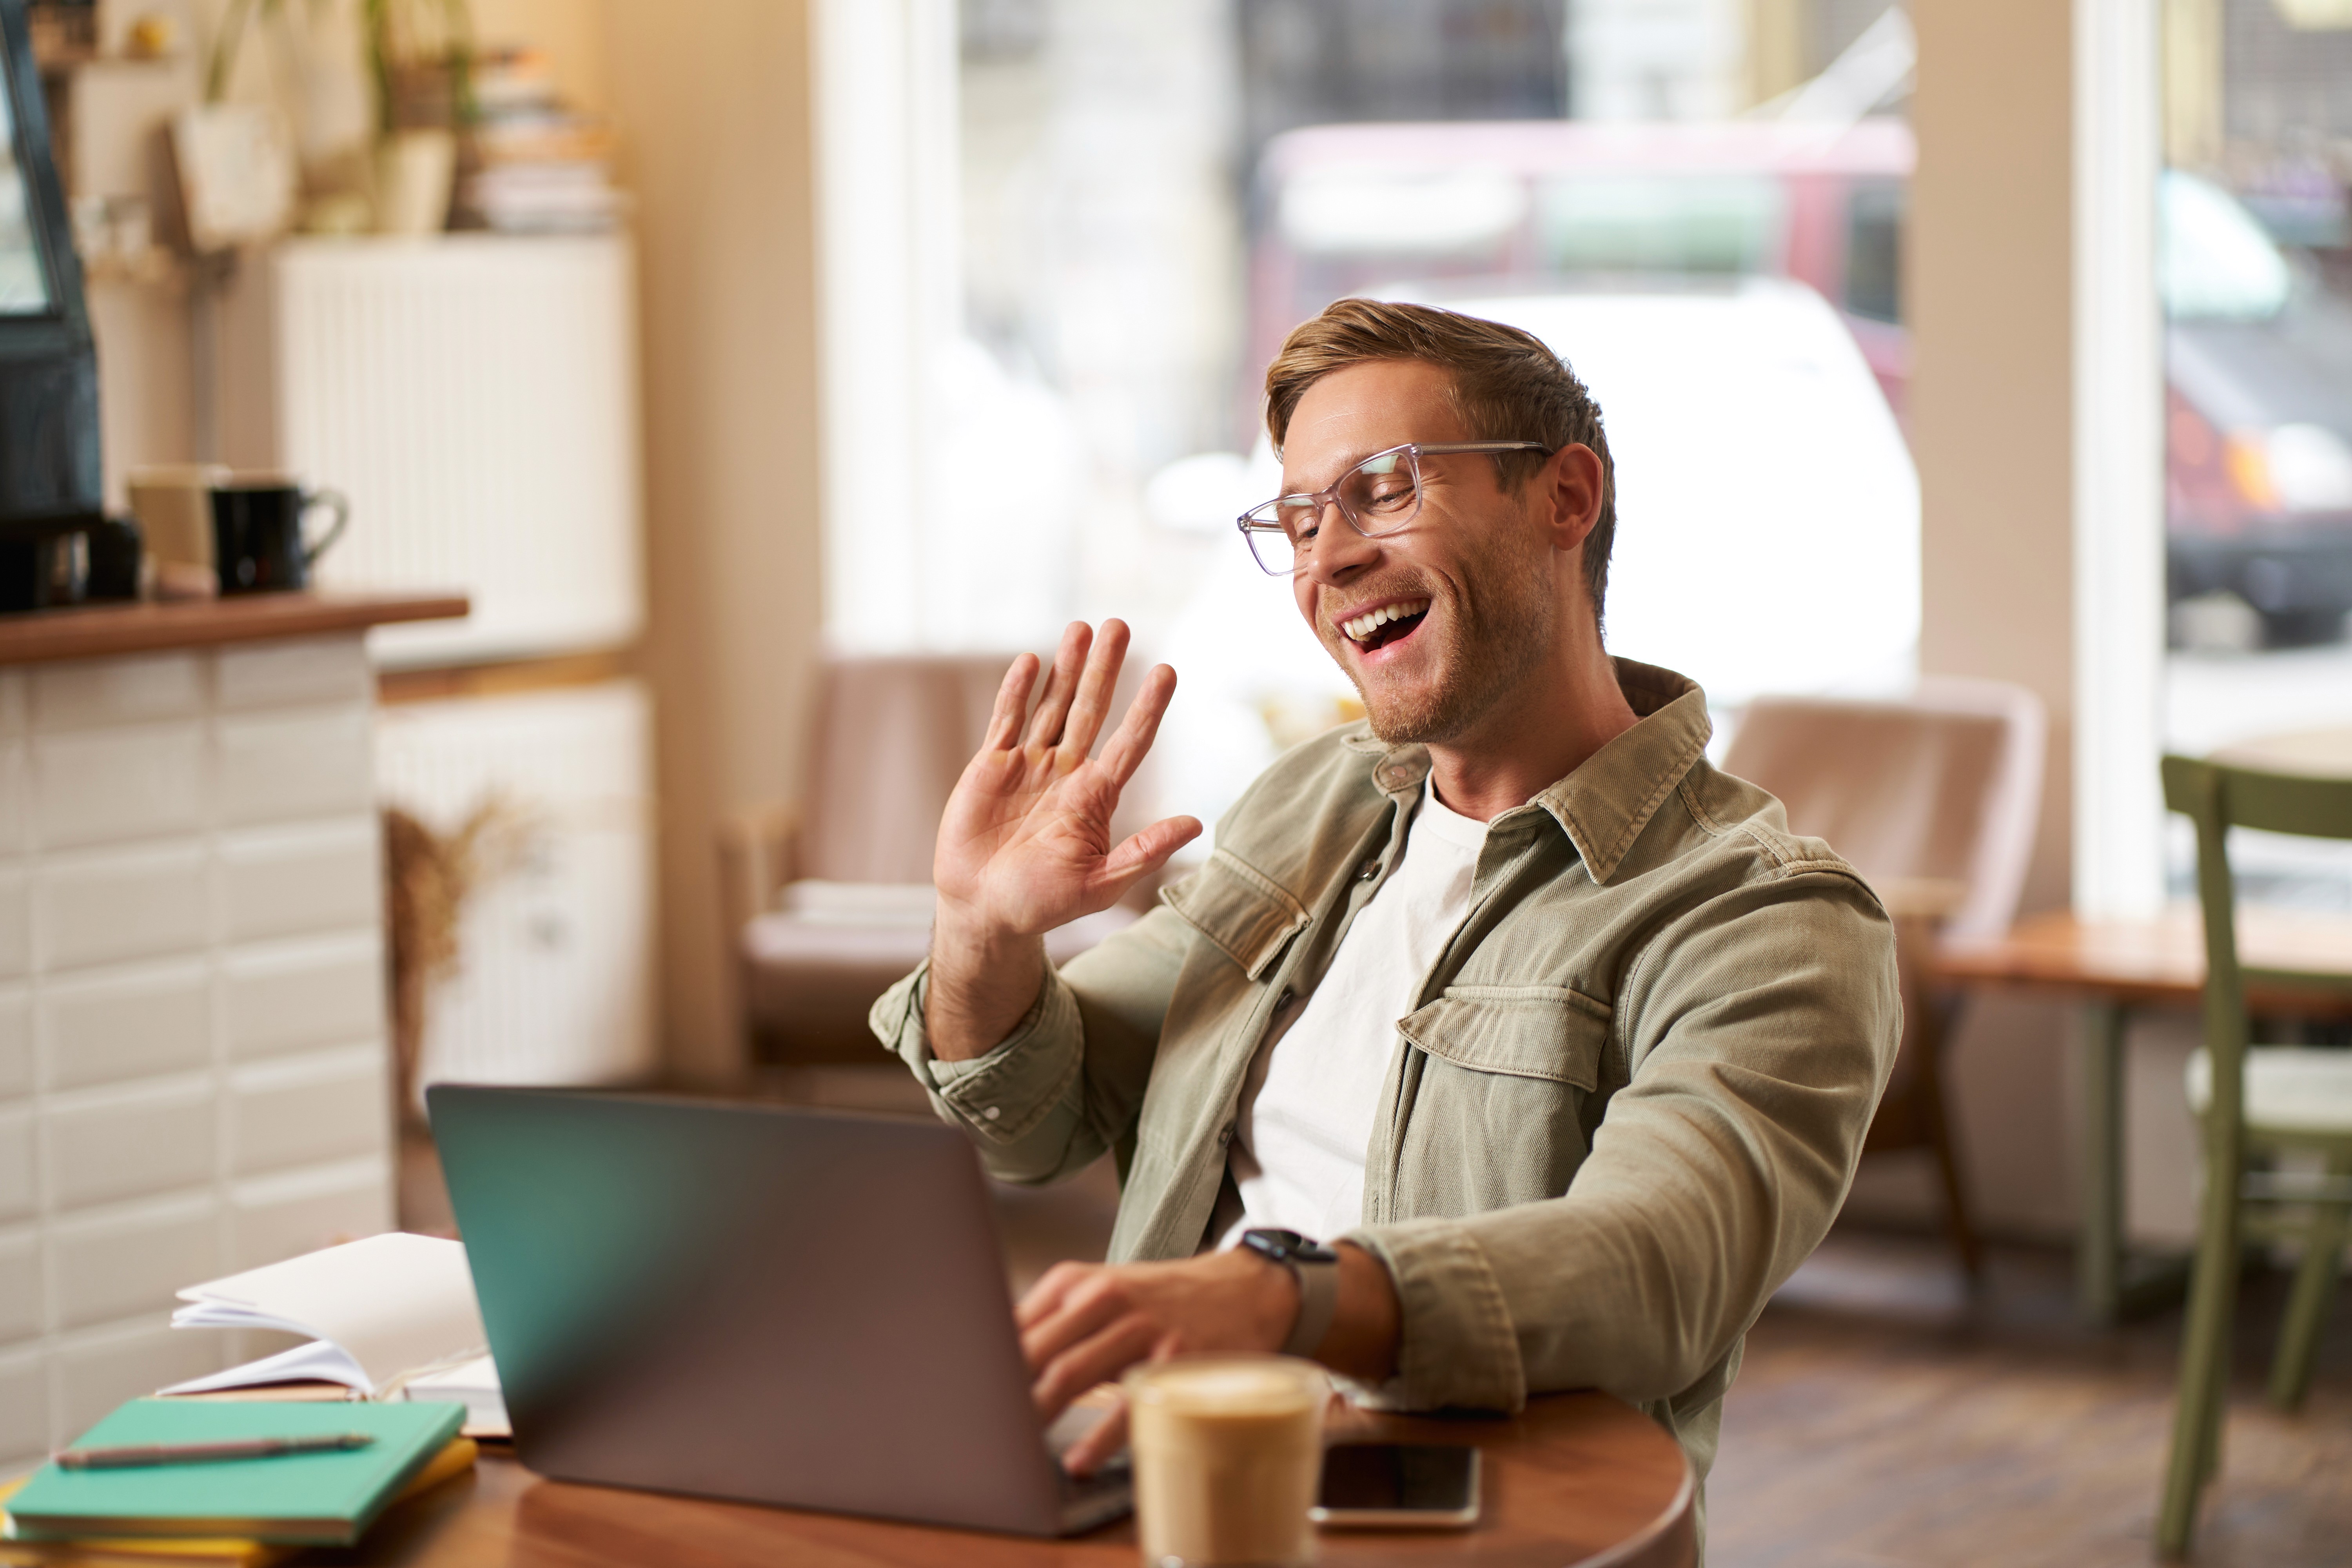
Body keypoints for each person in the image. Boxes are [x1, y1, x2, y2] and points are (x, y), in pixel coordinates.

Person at [872, 298, 1900, 1541]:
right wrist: (981, 930)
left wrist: (1276, 1296)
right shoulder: (1311, 804)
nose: (1327, 559)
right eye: (1300, 518)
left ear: (1566, 499)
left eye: (1382, 491)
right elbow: (1037, 1117)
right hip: (1160, 1476)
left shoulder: (1763, 913)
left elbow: (1656, 1266)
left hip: (1469, 1522)